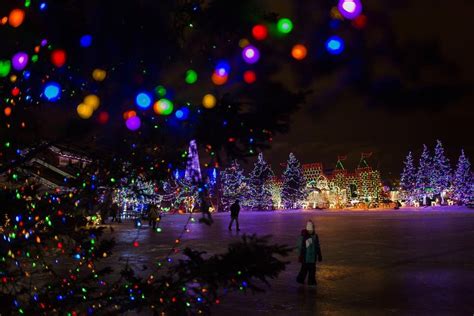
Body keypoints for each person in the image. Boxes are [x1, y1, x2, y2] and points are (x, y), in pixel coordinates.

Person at [296, 220, 322, 286]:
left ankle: (311, 282)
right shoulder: (304, 237)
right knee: (304, 270)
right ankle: (300, 280)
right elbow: (300, 247)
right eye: (310, 229)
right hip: (306, 258)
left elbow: (317, 246)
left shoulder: (315, 236)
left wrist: (319, 255)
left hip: (312, 258)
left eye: (312, 229)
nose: (311, 230)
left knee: (312, 271)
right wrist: (300, 256)